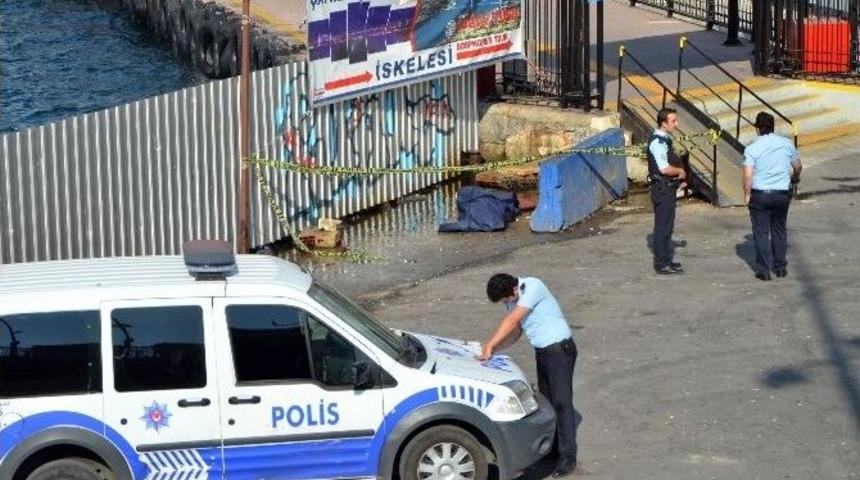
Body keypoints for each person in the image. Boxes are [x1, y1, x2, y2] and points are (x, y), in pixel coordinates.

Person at [478, 273, 578, 477]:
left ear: (514, 290)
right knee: (548, 404)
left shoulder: (533, 287)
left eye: (506, 300)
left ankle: (568, 457)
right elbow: (516, 332)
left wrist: (489, 343)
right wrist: (494, 350)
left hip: (560, 350)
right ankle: (552, 452)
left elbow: (513, 320)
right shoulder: (513, 301)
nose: (507, 304)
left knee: (561, 402)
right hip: (543, 352)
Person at [743, 111, 802, 281]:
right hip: (781, 193)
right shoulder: (786, 143)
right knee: (779, 229)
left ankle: (764, 270)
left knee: (761, 232)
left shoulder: (752, 148)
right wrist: (794, 178)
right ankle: (781, 267)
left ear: (757, 128)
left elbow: (747, 175)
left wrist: (747, 194)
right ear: (773, 127)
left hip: (760, 194)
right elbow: (798, 166)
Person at [648, 108, 688, 275]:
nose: (676, 124)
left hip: (667, 188)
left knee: (668, 225)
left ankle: (666, 259)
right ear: (663, 123)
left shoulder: (665, 139)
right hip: (662, 188)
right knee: (663, 227)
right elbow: (664, 169)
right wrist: (680, 172)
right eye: (673, 121)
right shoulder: (657, 143)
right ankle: (661, 263)